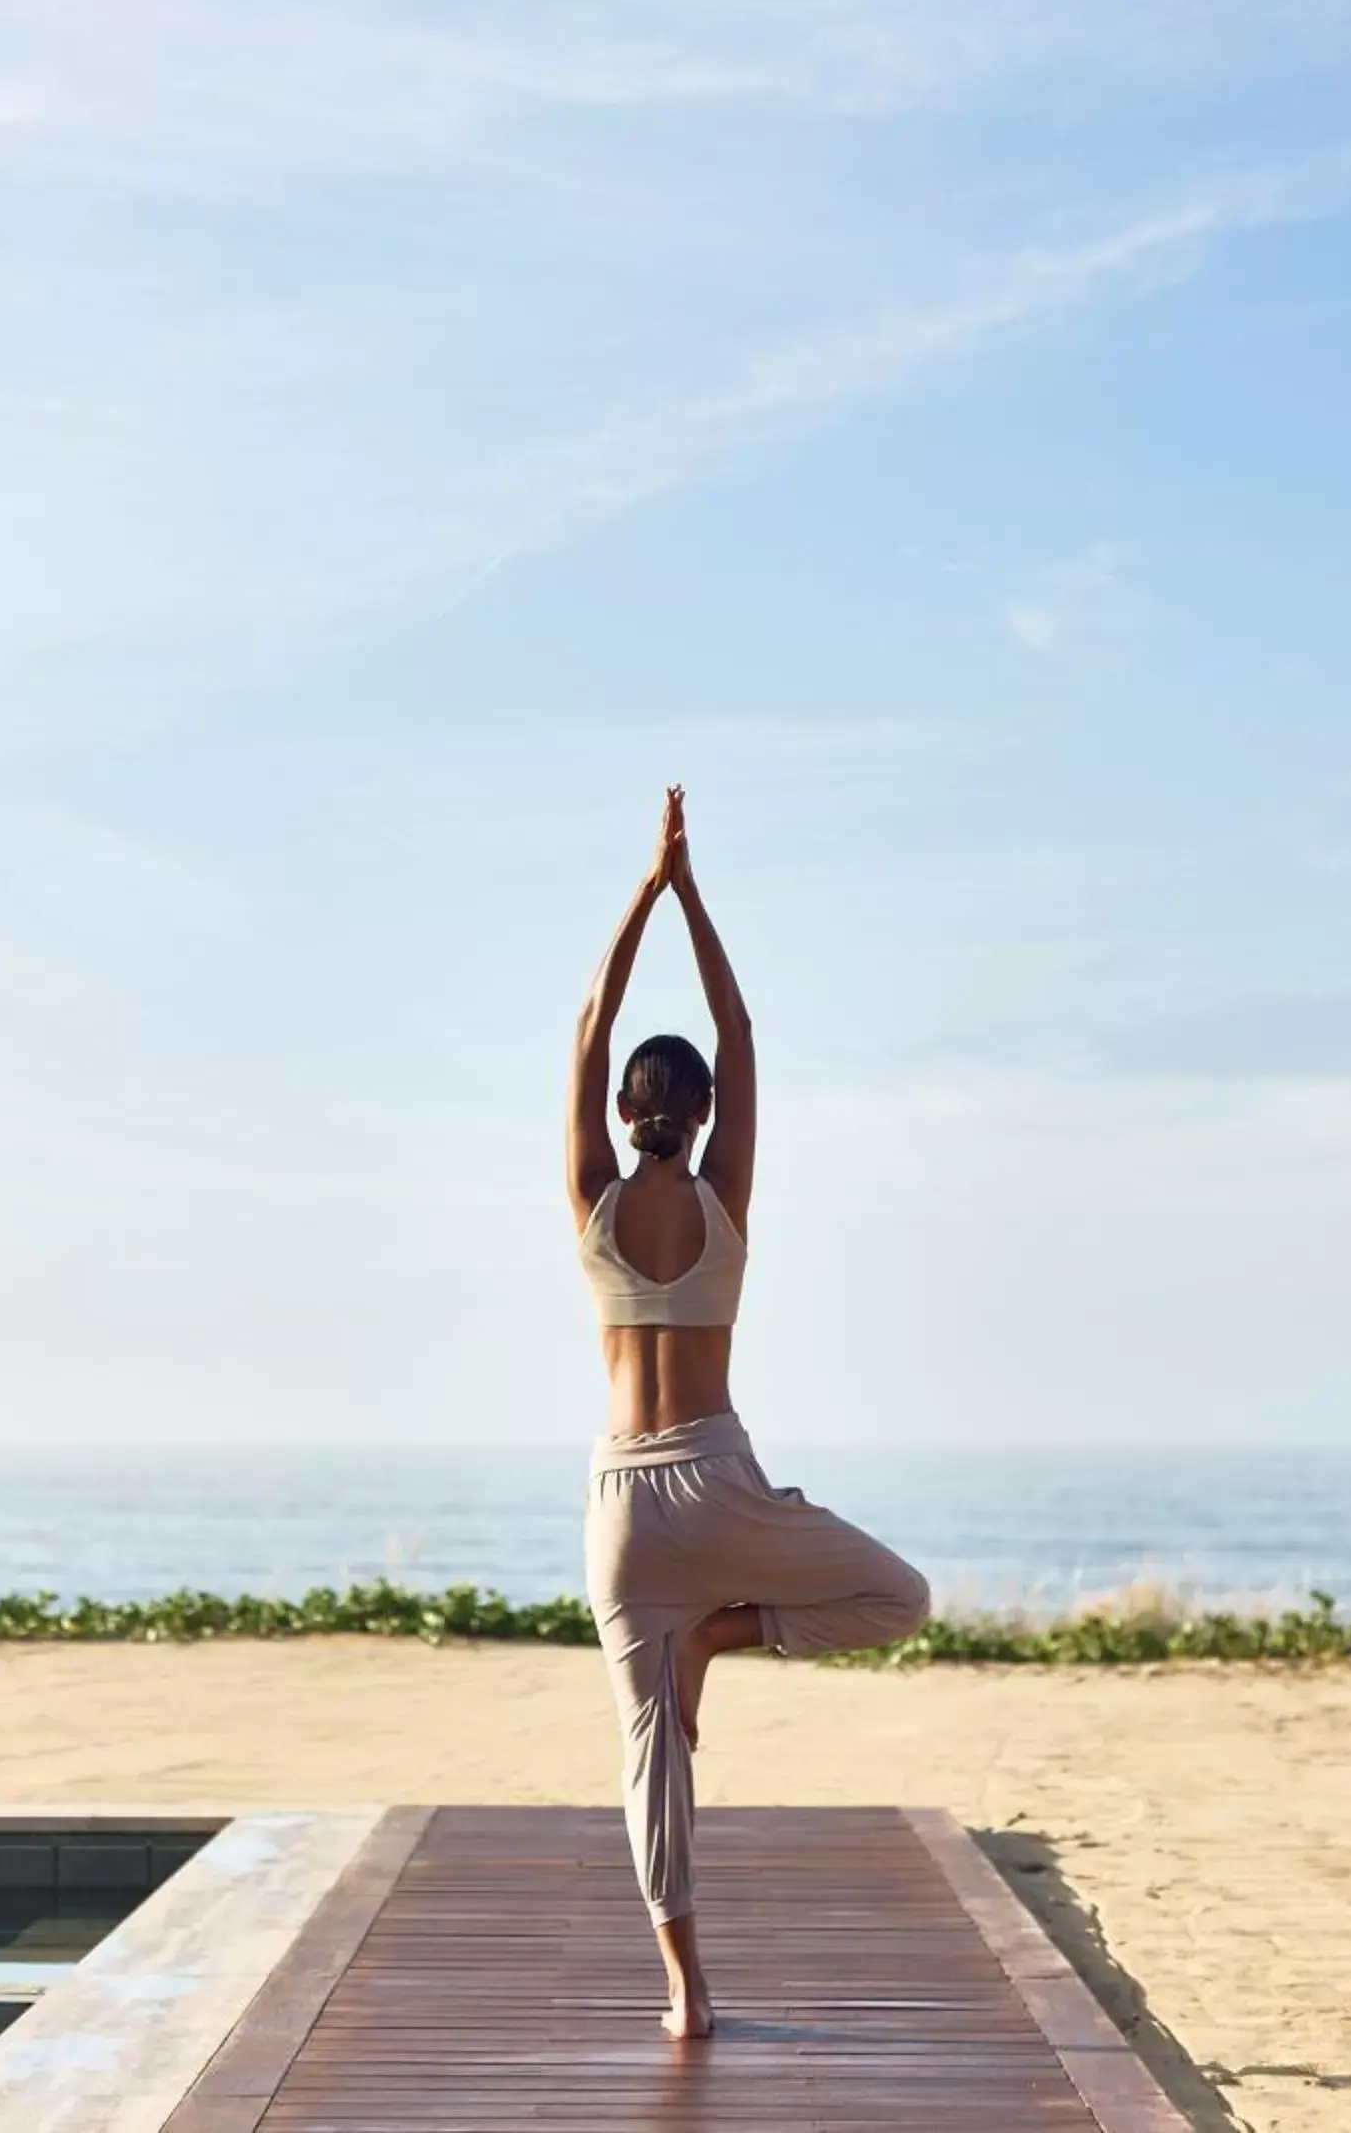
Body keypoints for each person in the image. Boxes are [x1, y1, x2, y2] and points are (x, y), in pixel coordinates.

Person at [567, 785, 931, 2041]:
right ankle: (719, 1638)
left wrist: (642, 890)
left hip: (622, 1499)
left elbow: (587, 1022)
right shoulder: (725, 1190)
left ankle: (685, 1993)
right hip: (717, 1485)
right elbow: (738, 1024)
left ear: (621, 1113)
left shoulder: (592, 1200)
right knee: (900, 1595)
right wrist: (691, 887)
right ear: (706, 1112)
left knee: (646, 1758)